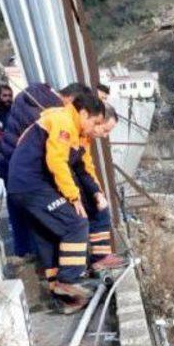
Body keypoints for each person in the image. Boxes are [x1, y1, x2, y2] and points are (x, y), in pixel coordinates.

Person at [7, 91, 105, 313]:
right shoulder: (63, 121)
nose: (94, 129)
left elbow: (84, 167)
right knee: (76, 223)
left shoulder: (66, 124)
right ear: (83, 113)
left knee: (49, 237)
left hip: (21, 186)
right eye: (95, 123)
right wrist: (73, 196)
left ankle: (63, 299)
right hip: (31, 184)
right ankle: (68, 282)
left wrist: (95, 192)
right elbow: (56, 161)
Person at [0, 82, 91, 258]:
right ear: (71, 99)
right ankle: (35, 255)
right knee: (37, 215)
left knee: (21, 210)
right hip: (23, 170)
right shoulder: (51, 110)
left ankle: (25, 251)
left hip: (11, 164)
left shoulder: (33, 97)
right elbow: (54, 156)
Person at [75, 103, 125, 272]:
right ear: (97, 120)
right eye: (105, 130)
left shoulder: (85, 138)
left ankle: (101, 257)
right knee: (96, 211)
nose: (105, 136)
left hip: (78, 178)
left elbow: (87, 166)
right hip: (69, 183)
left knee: (100, 207)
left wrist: (97, 191)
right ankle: (98, 259)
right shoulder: (74, 132)